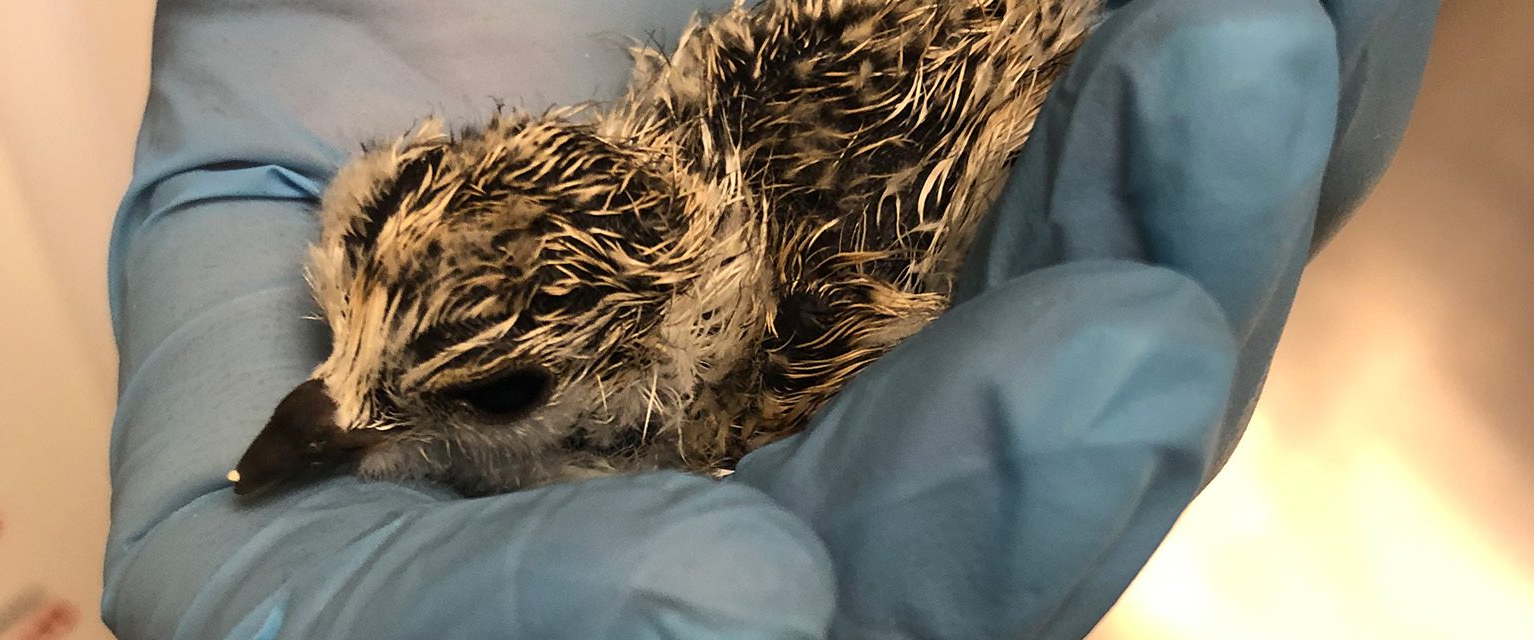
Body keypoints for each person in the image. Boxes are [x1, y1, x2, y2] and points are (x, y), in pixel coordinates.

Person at [101, 0, 1438, 637]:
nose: (314, 409)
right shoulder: (695, 94)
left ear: (658, 378)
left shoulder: (784, 367)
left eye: (498, 393)